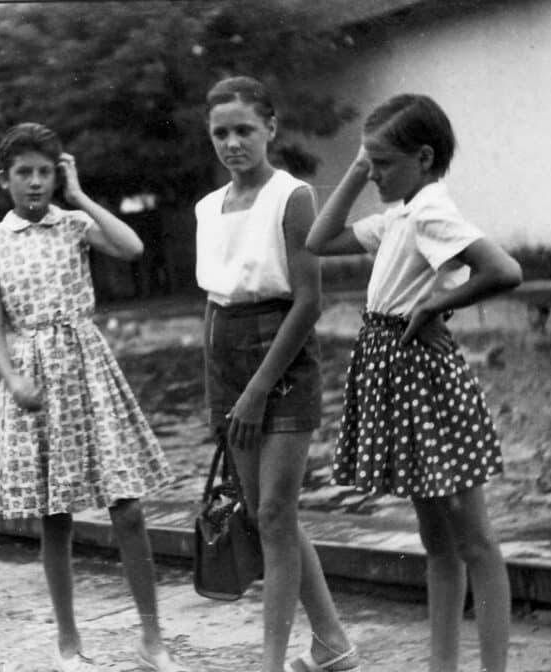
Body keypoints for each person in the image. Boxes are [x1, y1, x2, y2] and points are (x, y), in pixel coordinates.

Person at [306, 94, 522, 672]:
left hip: (422, 377)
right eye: (369, 163)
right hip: (394, 373)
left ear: (423, 158)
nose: (373, 173)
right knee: (437, 539)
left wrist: (437, 305)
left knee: (473, 537)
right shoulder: (401, 212)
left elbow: (503, 270)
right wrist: (357, 167)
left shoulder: (429, 212)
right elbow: (319, 242)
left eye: (382, 163)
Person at [0, 122, 184, 672]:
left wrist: (80, 193)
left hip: (87, 366)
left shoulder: (74, 224)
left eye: (44, 172)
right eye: (25, 174)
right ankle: (68, 645)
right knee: (55, 517)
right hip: (34, 375)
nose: (35, 183)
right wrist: (13, 381)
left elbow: (132, 247)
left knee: (127, 506)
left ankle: (152, 640)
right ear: (5, 180)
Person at [195, 76, 360, 672]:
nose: (233, 142)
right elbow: (215, 296)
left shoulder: (292, 197)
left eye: (244, 129)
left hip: (281, 354)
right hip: (226, 353)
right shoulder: (206, 207)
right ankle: (333, 643)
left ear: (271, 128)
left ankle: (270, 661)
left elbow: (309, 301)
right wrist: (222, 381)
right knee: (269, 512)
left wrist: (259, 387)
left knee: (272, 513)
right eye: (221, 133)